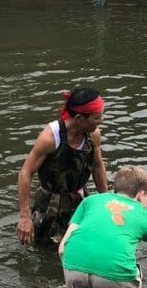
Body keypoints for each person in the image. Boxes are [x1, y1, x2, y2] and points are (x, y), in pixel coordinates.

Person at [15, 87, 108, 245]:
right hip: (51, 202)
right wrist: (25, 216)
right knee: (46, 249)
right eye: (96, 118)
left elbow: (98, 166)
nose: (101, 121)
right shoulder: (50, 137)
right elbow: (25, 172)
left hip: (80, 198)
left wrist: (106, 201)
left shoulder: (93, 134)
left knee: (82, 243)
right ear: (80, 118)